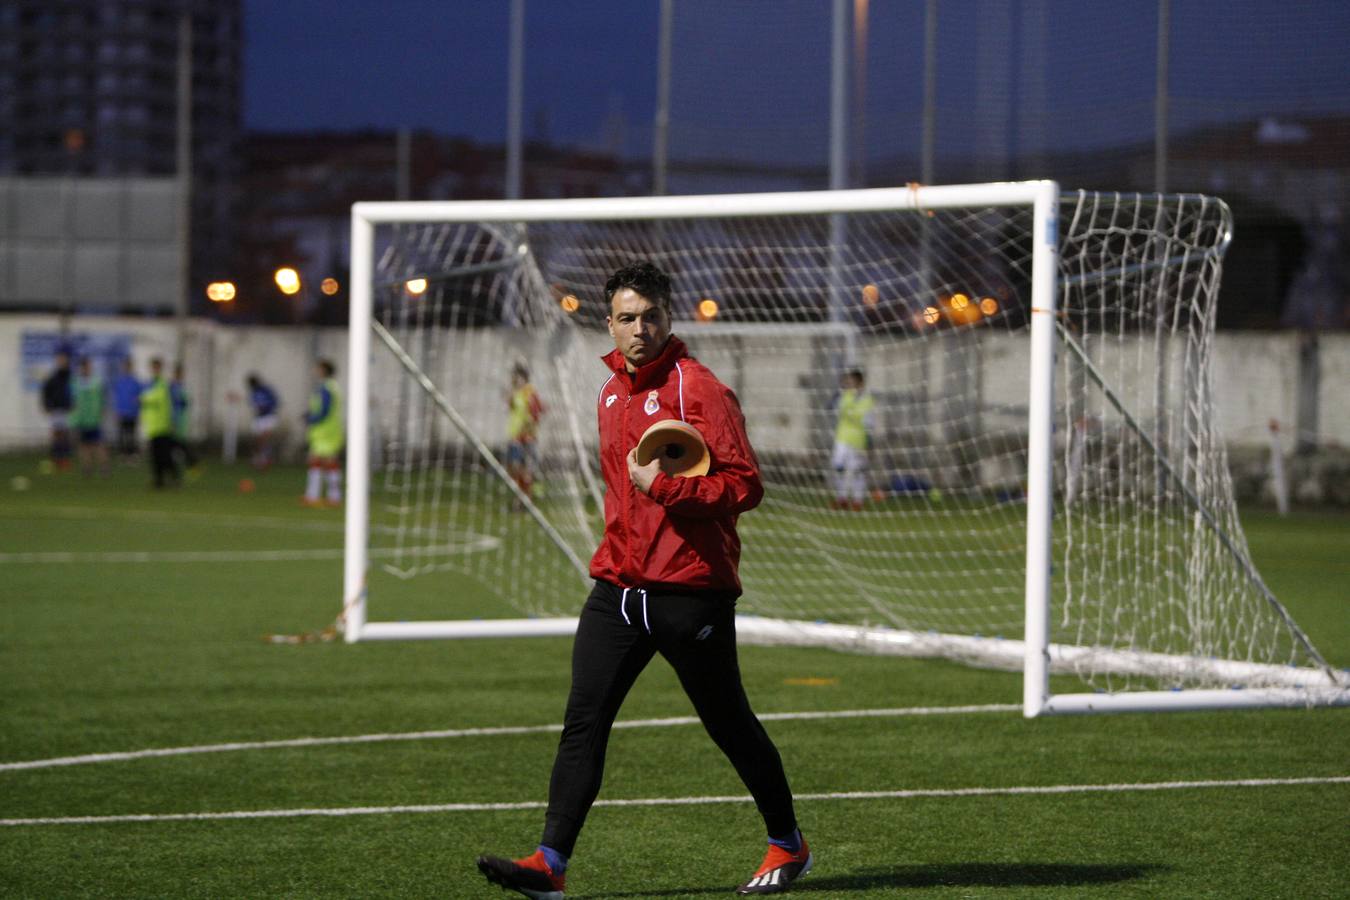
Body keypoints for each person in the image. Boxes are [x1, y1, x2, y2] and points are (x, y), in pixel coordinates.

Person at [477, 261, 809, 898]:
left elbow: (744, 485)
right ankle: (550, 864)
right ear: (609, 323)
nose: (639, 330)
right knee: (584, 721)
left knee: (729, 724)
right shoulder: (607, 393)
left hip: (690, 592)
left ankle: (788, 844)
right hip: (617, 590)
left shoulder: (700, 390)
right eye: (626, 319)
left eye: (650, 316)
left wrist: (665, 488)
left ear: (669, 317)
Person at [830, 369, 874, 511]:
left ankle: (857, 501)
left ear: (860, 383)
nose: (849, 384)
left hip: (858, 440)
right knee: (838, 467)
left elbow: (868, 421)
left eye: (852, 381)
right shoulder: (844, 396)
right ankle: (841, 498)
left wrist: (869, 442)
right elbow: (830, 407)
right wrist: (837, 394)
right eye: (847, 381)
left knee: (857, 471)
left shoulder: (867, 399)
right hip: (842, 438)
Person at [302, 359, 344, 507]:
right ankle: (314, 495)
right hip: (325, 431)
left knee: (328, 462)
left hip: (326, 431)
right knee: (318, 461)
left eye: (318, 368)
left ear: (323, 370)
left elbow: (324, 410)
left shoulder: (327, 388)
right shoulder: (331, 387)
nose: (315, 371)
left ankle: (332, 496)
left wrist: (311, 418)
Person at [505, 362, 545, 501]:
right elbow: (513, 408)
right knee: (514, 468)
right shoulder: (518, 392)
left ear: (523, 376)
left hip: (525, 437)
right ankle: (525, 495)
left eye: (516, 374)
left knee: (523, 468)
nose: (513, 378)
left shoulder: (530, 392)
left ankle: (525, 498)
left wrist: (528, 430)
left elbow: (537, 412)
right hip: (515, 435)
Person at [140, 357, 179, 488]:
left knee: (165, 455)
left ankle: (175, 477)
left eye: (156, 367)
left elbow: (156, 397)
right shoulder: (152, 383)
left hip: (162, 424)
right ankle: (159, 480)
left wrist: (142, 398)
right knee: (155, 456)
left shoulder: (162, 383)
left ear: (160, 368)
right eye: (153, 367)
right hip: (153, 426)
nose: (154, 370)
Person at [70, 357, 110, 477]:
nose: (85, 369)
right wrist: (73, 417)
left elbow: (103, 398)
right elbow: (73, 400)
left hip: (94, 418)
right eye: (84, 367)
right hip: (81, 419)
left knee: (98, 444)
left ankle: (104, 467)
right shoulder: (76, 382)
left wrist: (102, 411)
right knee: (83, 445)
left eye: (87, 366)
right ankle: (87, 468)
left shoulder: (96, 381)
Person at [40, 350, 74, 471]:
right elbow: (45, 392)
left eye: (64, 360)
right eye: (60, 360)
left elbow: (73, 391)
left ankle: (64, 459)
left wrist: (72, 404)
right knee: (56, 434)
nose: (62, 362)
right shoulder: (53, 378)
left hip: (66, 409)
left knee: (65, 434)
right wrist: (46, 405)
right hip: (55, 409)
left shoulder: (69, 376)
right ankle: (55, 458)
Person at [111, 358, 143, 462]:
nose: (127, 368)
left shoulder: (135, 381)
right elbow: (117, 397)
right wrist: (117, 410)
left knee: (131, 434)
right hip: (122, 412)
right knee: (122, 434)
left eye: (128, 366)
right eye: (125, 366)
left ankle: (132, 453)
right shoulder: (119, 381)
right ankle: (123, 453)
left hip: (133, 412)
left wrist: (138, 408)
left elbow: (140, 397)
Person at [169, 362, 199, 473]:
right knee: (177, 442)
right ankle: (190, 460)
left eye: (180, 373)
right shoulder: (172, 386)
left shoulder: (182, 387)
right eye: (178, 373)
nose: (179, 375)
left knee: (179, 442)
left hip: (180, 418)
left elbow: (187, 402)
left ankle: (191, 460)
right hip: (174, 417)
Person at [246, 373, 280, 469]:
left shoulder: (266, 390)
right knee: (257, 439)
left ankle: (265, 459)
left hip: (269, 416)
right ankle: (258, 458)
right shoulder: (253, 392)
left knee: (264, 438)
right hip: (259, 418)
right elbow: (252, 404)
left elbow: (275, 401)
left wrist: (266, 407)